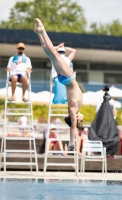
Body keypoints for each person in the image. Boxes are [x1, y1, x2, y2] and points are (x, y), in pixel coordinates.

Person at [34, 18, 84, 151]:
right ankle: (39, 33)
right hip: (64, 79)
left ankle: (42, 31)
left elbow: (73, 127)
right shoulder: (75, 108)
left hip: (68, 77)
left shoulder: (73, 110)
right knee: (51, 54)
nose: (82, 119)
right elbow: (73, 125)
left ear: (76, 119)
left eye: (80, 121)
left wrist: (72, 144)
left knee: (54, 54)